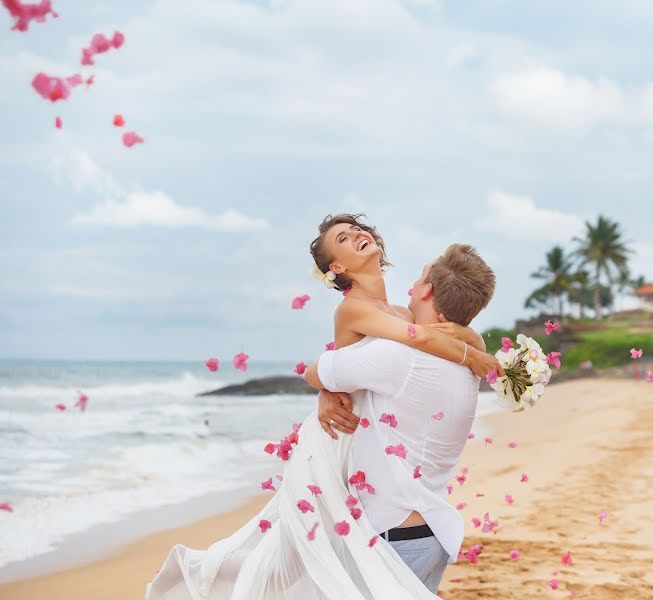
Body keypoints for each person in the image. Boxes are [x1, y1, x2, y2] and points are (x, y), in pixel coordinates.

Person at [146, 214, 499, 599]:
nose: (358, 234)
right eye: (344, 238)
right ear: (338, 267)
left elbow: (429, 333)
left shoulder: (401, 311)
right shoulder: (355, 309)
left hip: (375, 466)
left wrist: (469, 340)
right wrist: (473, 355)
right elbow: (417, 338)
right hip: (344, 445)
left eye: (358, 230)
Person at [305, 241, 496, 592]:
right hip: (429, 534)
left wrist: (326, 389)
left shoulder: (397, 358)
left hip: (395, 537)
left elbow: (316, 371)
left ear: (427, 289)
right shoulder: (466, 366)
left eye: (420, 276)